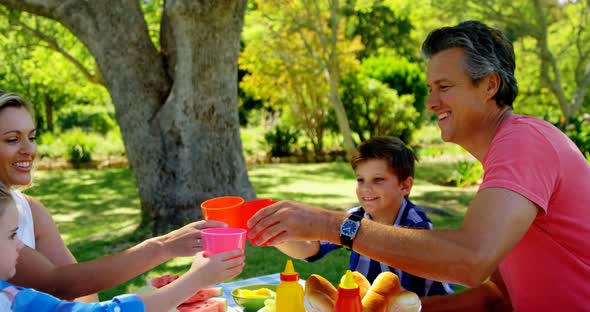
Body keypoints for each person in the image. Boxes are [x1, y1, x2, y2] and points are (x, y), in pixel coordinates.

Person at [247, 20, 590, 312]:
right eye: (430, 88)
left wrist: (329, 224)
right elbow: (498, 296)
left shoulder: (524, 142)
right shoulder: (510, 154)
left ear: (489, 85)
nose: (430, 102)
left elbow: (469, 260)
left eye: (444, 87)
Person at [0, 90, 228, 300]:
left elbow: (83, 294)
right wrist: (165, 246)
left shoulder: (31, 210)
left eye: (31, 137)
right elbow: (58, 284)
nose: (29, 150)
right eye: (12, 139)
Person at [0, 182, 245, 311]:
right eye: (12, 235)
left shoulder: (11, 294)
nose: (21, 244)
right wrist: (195, 279)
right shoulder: (9, 298)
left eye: (31, 136)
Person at [274, 136, 453, 296]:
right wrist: (274, 235)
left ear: (405, 186)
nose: (366, 188)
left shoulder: (415, 225)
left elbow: (409, 296)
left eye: (378, 180)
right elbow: (310, 248)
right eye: (361, 180)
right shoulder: (354, 220)